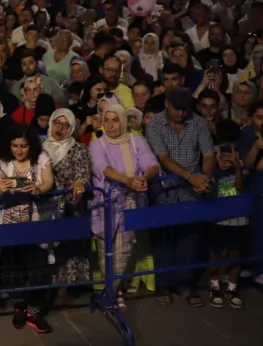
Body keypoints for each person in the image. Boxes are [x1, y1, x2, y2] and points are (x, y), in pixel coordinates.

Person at [145, 87, 216, 306]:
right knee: (164, 238)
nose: (181, 113)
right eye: (177, 108)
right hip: (163, 188)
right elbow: (164, 159)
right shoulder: (154, 125)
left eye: (185, 109)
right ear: (167, 104)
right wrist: (191, 176)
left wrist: (206, 177)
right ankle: (164, 284)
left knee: (190, 237)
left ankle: (186, 285)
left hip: (191, 190)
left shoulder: (199, 122)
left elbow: (208, 154)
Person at [89, 103, 160, 303]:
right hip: (106, 204)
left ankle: (111, 293)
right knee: (106, 251)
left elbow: (152, 164)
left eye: (115, 120)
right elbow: (103, 168)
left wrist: (144, 177)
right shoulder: (97, 143)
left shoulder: (136, 140)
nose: (110, 125)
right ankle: (112, 293)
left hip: (131, 202)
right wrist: (127, 180)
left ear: (123, 121)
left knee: (124, 251)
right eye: (106, 120)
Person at [0, 124, 54, 333]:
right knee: (12, 270)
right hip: (9, 223)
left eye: (23, 146)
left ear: (31, 145)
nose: (19, 151)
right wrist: (0, 189)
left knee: (38, 269)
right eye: (15, 146)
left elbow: (48, 181)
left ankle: (34, 311)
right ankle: (19, 306)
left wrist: (38, 189)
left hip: (35, 223)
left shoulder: (41, 158)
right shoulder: (3, 162)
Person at [43, 108, 92, 290]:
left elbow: (82, 175)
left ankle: (68, 288)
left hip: (71, 206)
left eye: (65, 125)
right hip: (46, 207)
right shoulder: (41, 148)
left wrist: (79, 183)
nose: (60, 128)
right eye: (57, 122)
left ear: (71, 129)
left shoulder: (78, 149)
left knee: (69, 250)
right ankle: (51, 288)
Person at [207, 119, 247, 309]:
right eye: (224, 142)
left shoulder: (242, 156)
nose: (228, 147)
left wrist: (237, 167)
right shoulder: (211, 155)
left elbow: (240, 186)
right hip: (217, 210)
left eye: (231, 142)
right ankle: (214, 285)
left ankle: (232, 287)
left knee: (236, 251)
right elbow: (208, 180)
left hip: (238, 212)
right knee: (215, 250)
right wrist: (216, 167)